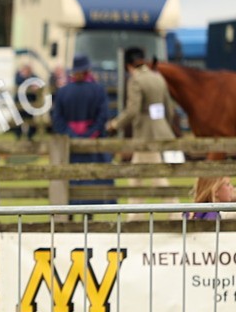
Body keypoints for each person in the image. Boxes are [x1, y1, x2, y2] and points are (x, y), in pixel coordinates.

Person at [106, 47, 176, 188]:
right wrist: (164, 125)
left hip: (145, 133)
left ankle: (173, 209)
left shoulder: (135, 80)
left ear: (128, 65)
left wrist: (115, 124)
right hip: (160, 130)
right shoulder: (158, 77)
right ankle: (135, 210)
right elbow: (170, 109)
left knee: (156, 177)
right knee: (136, 174)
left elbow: (132, 110)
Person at [52, 54, 113, 205]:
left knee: (71, 179)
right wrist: (91, 134)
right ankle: (91, 213)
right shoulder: (98, 90)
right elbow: (103, 116)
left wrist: (71, 135)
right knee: (94, 178)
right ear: (88, 71)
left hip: (70, 145)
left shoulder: (63, 92)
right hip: (94, 144)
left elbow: (57, 120)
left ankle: (71, 211)